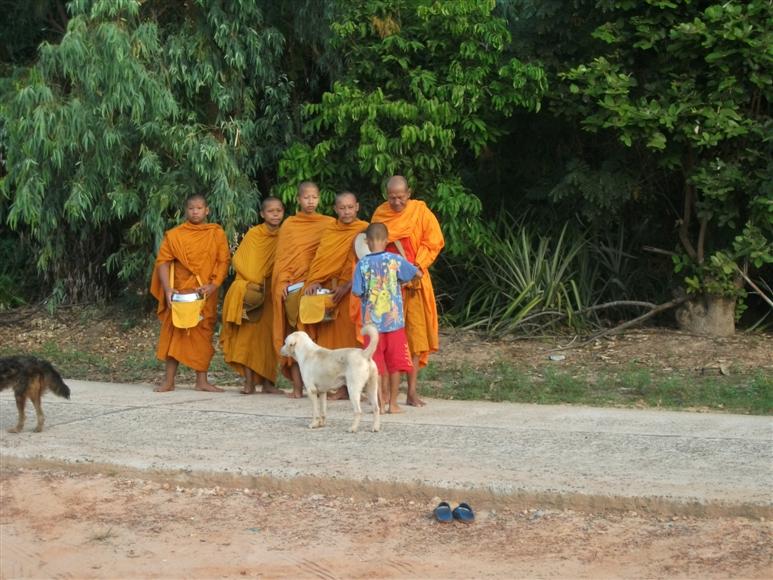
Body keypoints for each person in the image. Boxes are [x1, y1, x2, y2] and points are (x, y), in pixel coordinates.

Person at [371, 175, 444, 406]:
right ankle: (384, 395)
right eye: (392, 197)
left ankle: (411, 392)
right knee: (387, 340)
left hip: (415, 283)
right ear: (386, 195)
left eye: (401, 197)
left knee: (415, 338)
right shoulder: (380, 214)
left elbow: (434, 242)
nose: (396, 202)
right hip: (387, 288)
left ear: (409, 193)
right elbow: (372, 246)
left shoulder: (421, 212)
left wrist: (415, 267)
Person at [150, 193, 230, 393]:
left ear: (207, 210)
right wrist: (168, 289)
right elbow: (163, 262)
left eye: (199, 208)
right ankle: (169, 380)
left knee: (203, 334)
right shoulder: (175, 235)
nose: (195, 212)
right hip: (180, 293)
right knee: (175, 333)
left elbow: (223, 261)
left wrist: (214, 285)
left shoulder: (216, 233)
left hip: (205, 293)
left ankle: (201, 380)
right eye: (191, 208)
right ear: (186, 211)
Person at [302, 192, 369, 400]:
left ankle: (351, 387)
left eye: (350, 207)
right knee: (331, 340)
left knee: (351, 339)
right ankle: (335, 385)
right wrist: (313, 281)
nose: (346, 212)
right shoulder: (330, 230)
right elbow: (321, 260)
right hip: (329, 291)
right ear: (335, 209)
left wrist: (348, 285)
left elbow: (367, 263)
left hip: (354, 293)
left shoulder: (364, 230)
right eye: (342, 208)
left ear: (357, 207)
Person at [271, 182, 335, 397]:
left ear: (319, 199)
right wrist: (282, 282)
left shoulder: (328, 223)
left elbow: (331, 257)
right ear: (298, 199)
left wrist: (318, 278)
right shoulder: (290, 225)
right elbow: (282, 258)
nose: (310, 201)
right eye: (306, 197)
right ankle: (298, 388)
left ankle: (322, 387)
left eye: (314, 197)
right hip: (296, 289)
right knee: (297, 341)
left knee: (321, 341)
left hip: (319, 288)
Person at [352, 223, 422, 414]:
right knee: (395, 364)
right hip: (394, 322)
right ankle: (393, 403)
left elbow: (357, 291)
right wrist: (408, 279)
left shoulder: (362, 264)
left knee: (376, 364)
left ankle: (380, 402)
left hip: (372, 325)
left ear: (366, 241)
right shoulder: (394, 259)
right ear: (386, 240)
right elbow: (416, 273)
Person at [220, 197, 285, 394]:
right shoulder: (254, 234)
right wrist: (255, 280)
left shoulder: (286, 235)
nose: (275, 214)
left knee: (269, 338)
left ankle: (268, 383)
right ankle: (248, 383)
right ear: (262, 214)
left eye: (279, 210)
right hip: (251, 293)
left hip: (272, 293)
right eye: (270, 211)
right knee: (247, 339)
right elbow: (240, 261)